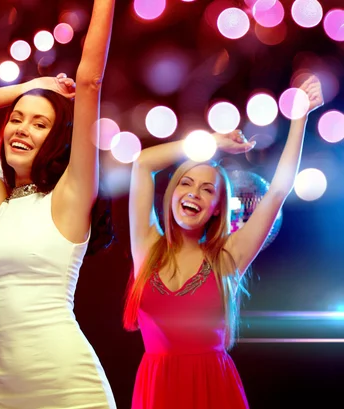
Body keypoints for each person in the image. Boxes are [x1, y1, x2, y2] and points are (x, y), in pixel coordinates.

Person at [0, 0, 116, 407]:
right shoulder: (1, 202)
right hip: (7, 389)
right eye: (17, 118)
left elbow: (88, 84)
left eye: (39, 123)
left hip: (69, 387)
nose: (22, 129)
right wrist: (32, 89)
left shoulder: (70, 195)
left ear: (56, 140)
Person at [123, 76, 323, 409]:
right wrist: (211, 142)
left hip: (213, 391)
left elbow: (277, 191)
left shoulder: (228, 257)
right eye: (186, 183)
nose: (193, 193)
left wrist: (299, 118)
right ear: (172, 194)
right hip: (157, 392)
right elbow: (142, 163)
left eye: (207, 189)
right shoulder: (145, 245)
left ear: (217, 207)